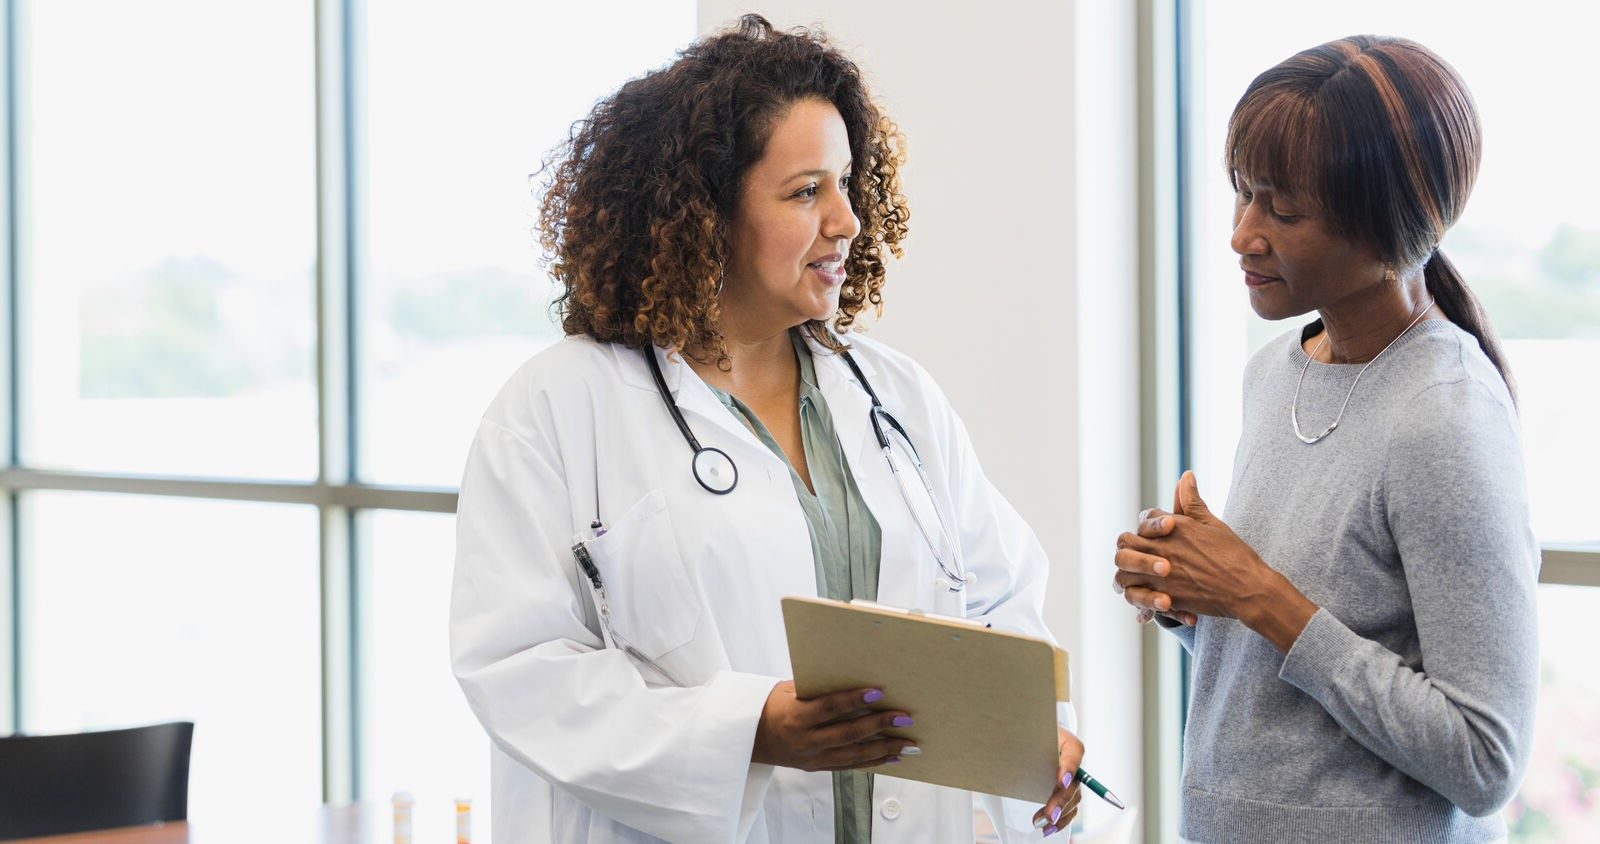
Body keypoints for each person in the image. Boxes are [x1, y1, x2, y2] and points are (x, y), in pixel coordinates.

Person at [451, 15, 1085, 843]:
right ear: (704, 214)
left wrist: (1036, 729)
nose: (847, 220)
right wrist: (751, 729)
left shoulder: (894, 397)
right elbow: (518, 669)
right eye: (804, 191)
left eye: (848, 183)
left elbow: (999, 597)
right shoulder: (559, 408)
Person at [1112, 35, 1538, 844]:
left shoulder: (1445, 415)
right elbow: (1304, 679)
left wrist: (1257, 596)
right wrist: (1189, 593)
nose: (1242, 234)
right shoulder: (1277, 371)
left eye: (1283, 209)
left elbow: (1484, 762)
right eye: (1242, 194)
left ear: (1385, 226)